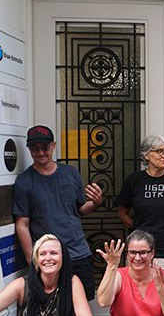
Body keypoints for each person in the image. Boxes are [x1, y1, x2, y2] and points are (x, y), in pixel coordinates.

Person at [14, 125, 103, 301]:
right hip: (48, 257)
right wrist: (32, 260)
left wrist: (96, 202)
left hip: (78, 252)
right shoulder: (24, 181)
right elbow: (22, 224)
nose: (41, 153)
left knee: (82, 302)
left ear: (53, 146)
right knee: (53, 305)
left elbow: (80, 210)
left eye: (45, 148)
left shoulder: (71, 173)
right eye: (35, 149)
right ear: (29, 150)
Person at [116, 135, 164, 281]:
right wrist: (136, 228)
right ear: (146, 155)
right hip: (139, 251)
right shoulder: (135, 180)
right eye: (159, 151)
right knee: (138, 291)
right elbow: (122, 212)